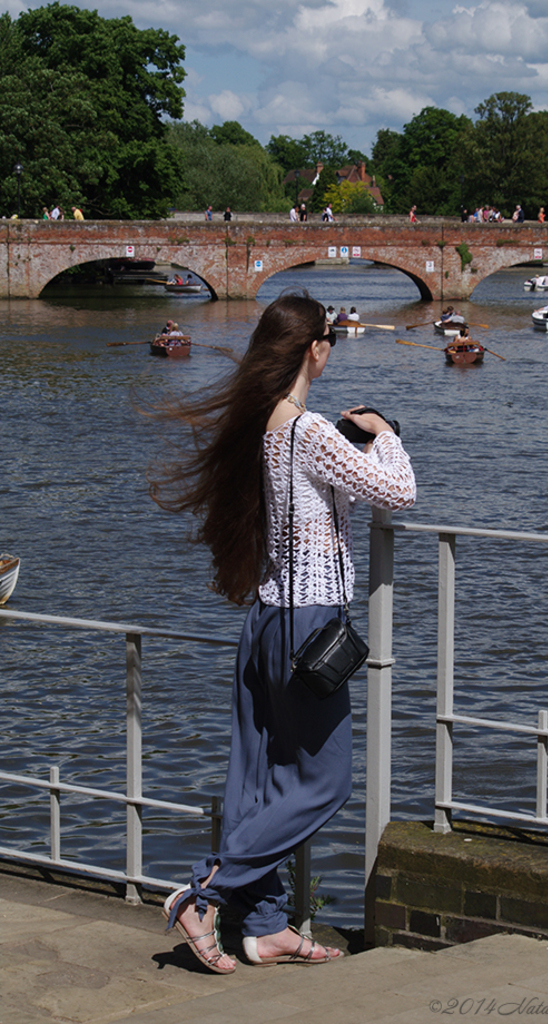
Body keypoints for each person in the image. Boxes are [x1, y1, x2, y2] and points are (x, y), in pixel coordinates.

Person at [152, 291, 416, 973]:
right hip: (310, 626)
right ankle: (204, 892)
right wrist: (386, 431)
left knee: (260, 781)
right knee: (325, 785)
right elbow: (400, 493)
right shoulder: (312, 430)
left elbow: (322, 497)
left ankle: (265, 925)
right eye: (331, 341)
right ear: (314, 350)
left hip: (265, 623)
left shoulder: (260, 425)